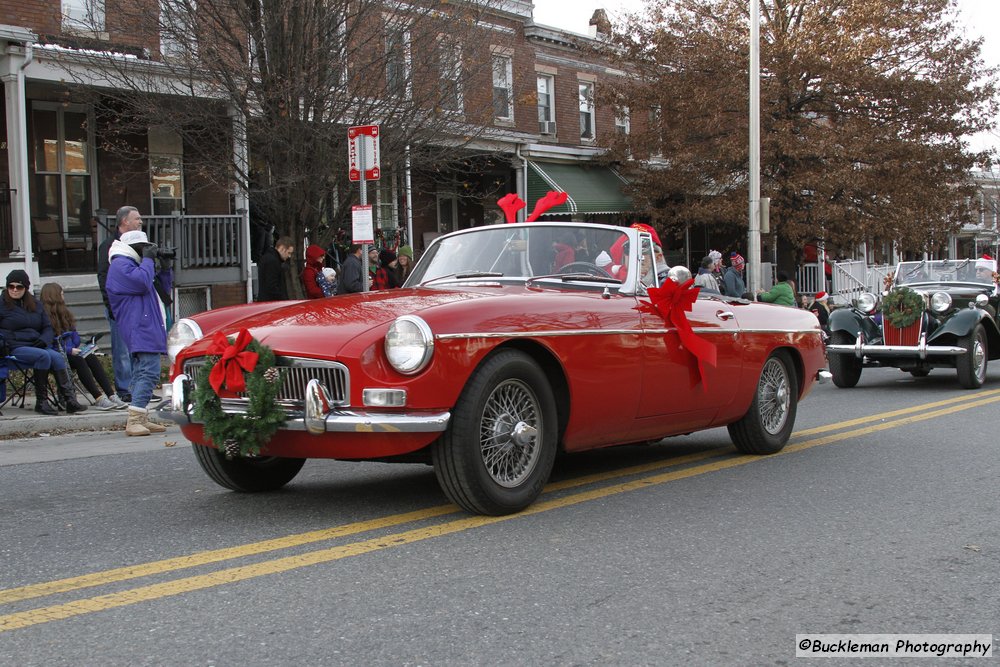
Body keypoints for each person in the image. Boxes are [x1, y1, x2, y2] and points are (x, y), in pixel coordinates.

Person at [106, 230, 169, 437]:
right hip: (138, 327)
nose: (146, 252)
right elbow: (142, 283)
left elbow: (162, 289)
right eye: (143, 248)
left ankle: (140, 416)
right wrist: (149, 260)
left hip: (145, 326)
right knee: (149, 372)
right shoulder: (119, 266)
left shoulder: (134, 265)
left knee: (142, 372)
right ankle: (134, 420)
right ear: (132, 248)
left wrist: (165, 267)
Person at [0, 270, 87, 415]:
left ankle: (69, 400)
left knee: (57, 356)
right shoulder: (2, 305)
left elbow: (47, 327)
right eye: (11, 286)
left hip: (36, 344)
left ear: (26, 288)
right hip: (13, 347)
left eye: (19, 287)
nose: (14, 290)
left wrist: (43, 340)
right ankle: (41, 402)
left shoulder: (36, 304)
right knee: (44, 356)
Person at [40, 282, 127, 411]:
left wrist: (79, 344)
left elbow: (75, 337)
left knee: (90, 357)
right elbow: (48, 344)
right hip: (57, 355)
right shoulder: (44, 317)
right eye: (62, 294)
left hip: (71, 352)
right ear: (55, 297)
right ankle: (98, 398)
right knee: (79, 360)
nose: (64, 297)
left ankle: (111, 394)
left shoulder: (65, 314)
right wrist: (69, 350)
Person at [97, 205, 142, 403]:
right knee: (122, 350)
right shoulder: (109, 246)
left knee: (139, 348)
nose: (141, 222)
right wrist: (111, 305)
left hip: (138, 305)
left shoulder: (141, 244)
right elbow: (104, 277)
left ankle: (140, 387)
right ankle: (125, 389)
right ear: (125, 221)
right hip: (119, 306)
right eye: (137, 218)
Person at [256, 236, 294, 301]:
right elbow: (272, 287)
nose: (289, 256)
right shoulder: (273, 261)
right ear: (282, 248)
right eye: (289, 253)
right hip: (272, 303)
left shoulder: (268, 258)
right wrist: (283, 300)